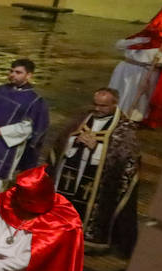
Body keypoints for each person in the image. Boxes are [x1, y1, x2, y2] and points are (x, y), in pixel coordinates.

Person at [48, 88, 139, 255]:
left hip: (100, 179)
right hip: (73, 170)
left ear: (114, 104)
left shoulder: (124, 127)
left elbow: (124, 158)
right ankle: (59, 228)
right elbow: (62, 140)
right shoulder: (83, 117)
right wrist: (74, 141)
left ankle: (86, 237)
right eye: (95, 104)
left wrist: (96, 149)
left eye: (103, 106)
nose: (97, 109)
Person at [0, 59, 50, 210]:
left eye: (18, 72)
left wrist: (0, 131)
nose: (12, 75)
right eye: (11, 71)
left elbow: (29, 127)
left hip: (7, 146)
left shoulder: (34, 100)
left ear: (29, 75)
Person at [107, 0, 162, 128]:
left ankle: (133, 117)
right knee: (120, 92)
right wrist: (138, 41)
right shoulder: (138, 38)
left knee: (138, 96)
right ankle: (114, 113)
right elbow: (119, 45)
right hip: (126, 69)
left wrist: (161, 60)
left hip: (144, 72)